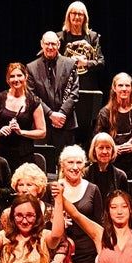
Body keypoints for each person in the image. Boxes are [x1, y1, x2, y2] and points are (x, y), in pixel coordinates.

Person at [26, 31, 80, 166]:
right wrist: (50, 114)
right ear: (41, 44)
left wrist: (61, 114)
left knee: (66, 165)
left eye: (53, 44)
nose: (50, 47)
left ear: (59, 44)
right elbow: (32, 96)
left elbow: (74, 93)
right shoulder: (31, 67)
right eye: (47, 44)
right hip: (42, 124)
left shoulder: (71, 63)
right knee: (42, 166)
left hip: (65, 123)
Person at [0, 62, 48, 171]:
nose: (16, 79)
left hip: (24, 155)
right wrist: (0, 131)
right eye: (12, 76)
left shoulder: (34, 102)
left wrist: (21, 132)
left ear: (25, 77)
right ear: (7, 79)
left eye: (19, 75)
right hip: (1, 154)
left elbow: (42, 132)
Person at [96, 72, 132, 175]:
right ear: (114, 88)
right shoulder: (105, 113)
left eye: (127, 85)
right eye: (120, 85)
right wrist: (113, 148)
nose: (124, 89)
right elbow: (98, 139)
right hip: (113, 161)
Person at [58, 1, 105, 91]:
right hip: (65, 86)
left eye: (80, 14)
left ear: (85, 17)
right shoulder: (60, 37)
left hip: (87, 85)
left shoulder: (93, 37)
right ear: (68, 16)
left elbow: (100, 62)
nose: (77, 17)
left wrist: (85, 63)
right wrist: (70, 61)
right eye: (74, 13)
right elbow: (55, 63)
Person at [85, 133, 128, 201]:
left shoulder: (120, 176)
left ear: (112, 151)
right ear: (94, 151)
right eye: (101, 148)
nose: (105, 152)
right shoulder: (85, 174)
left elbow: (125, 201)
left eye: (108, 148)